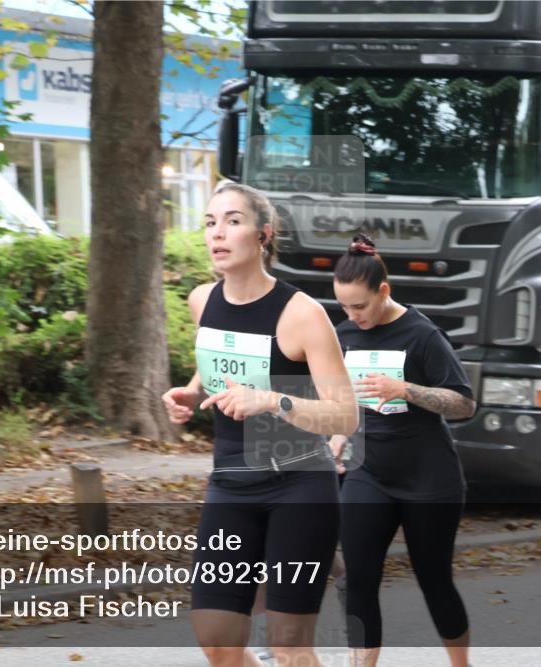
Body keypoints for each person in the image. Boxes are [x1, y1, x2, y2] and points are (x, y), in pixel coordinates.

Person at [162, 182, 358, 667]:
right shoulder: (202, 301)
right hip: (230, 484)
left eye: (232, 221)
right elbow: (224, 364)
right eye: (210, 223)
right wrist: (193, 391)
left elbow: (345, 413)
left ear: (263, 236)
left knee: (290, 646)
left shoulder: (302, 315)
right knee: (218, 640)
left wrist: (271, 401)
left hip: (299, 488)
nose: (217, 233)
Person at [329, 233, 476, 667]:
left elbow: (464, 403)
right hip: (367, 472)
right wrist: (337, 437)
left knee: (434, 581)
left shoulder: (422, 334)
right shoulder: (343, 336)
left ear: (384, 291)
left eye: (361, 306)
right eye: (345, 307)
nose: (353, 316)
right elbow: (344, 403)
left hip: (429, 479)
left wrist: (405, 389)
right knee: (358, 580)